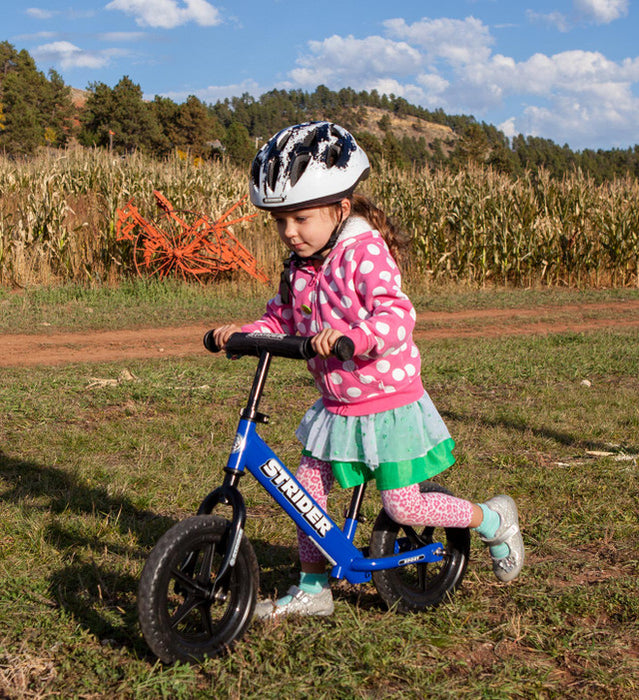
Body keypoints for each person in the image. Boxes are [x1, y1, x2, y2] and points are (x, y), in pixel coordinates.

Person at [213, 121, 524, 618]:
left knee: (403, 505)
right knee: (304, 494)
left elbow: (396, 313)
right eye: (280, 222)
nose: (289, 232)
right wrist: (245, 333)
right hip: (338, 405)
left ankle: (491, 519)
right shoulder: (300, 265)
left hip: (388, 402)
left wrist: (356, 338)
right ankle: (314, 589)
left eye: (301, 219)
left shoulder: (364, 253)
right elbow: (282, 317)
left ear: (339, 209)